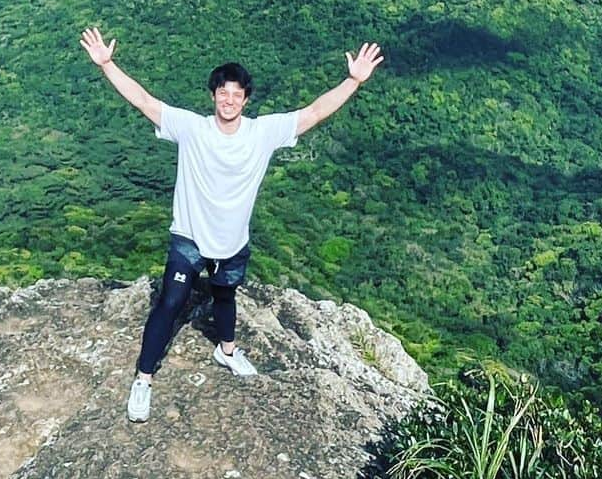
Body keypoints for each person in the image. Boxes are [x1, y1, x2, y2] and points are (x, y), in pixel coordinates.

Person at [79, 26, 384, 422]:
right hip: (188, 237)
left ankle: (225, 351)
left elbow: (314, 112)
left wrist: (352, 81)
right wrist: (107, 66)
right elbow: (143, 100)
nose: (229, 100)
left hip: (232, 241)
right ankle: (144, 379)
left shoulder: (262, 133)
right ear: (213, 96)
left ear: (246, 100)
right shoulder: (192, 128)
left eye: (237, 94)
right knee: (169, 304)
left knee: (225, 297)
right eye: (223, 92)